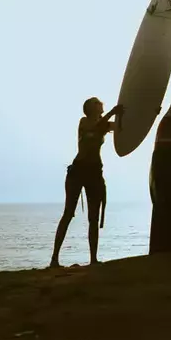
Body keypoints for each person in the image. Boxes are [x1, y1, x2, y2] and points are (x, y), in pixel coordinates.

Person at [49, 97, 123, 268]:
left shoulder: (102, 124)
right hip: (78, 171)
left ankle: (93, 259)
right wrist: (112, 112)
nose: (100, 104)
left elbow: (119, 127)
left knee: (93, 218)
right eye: (96, 103)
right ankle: (54, 259)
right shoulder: (84, 122)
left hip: (95, 172)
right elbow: (94, 128)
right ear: (90, 108)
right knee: (68, 214)